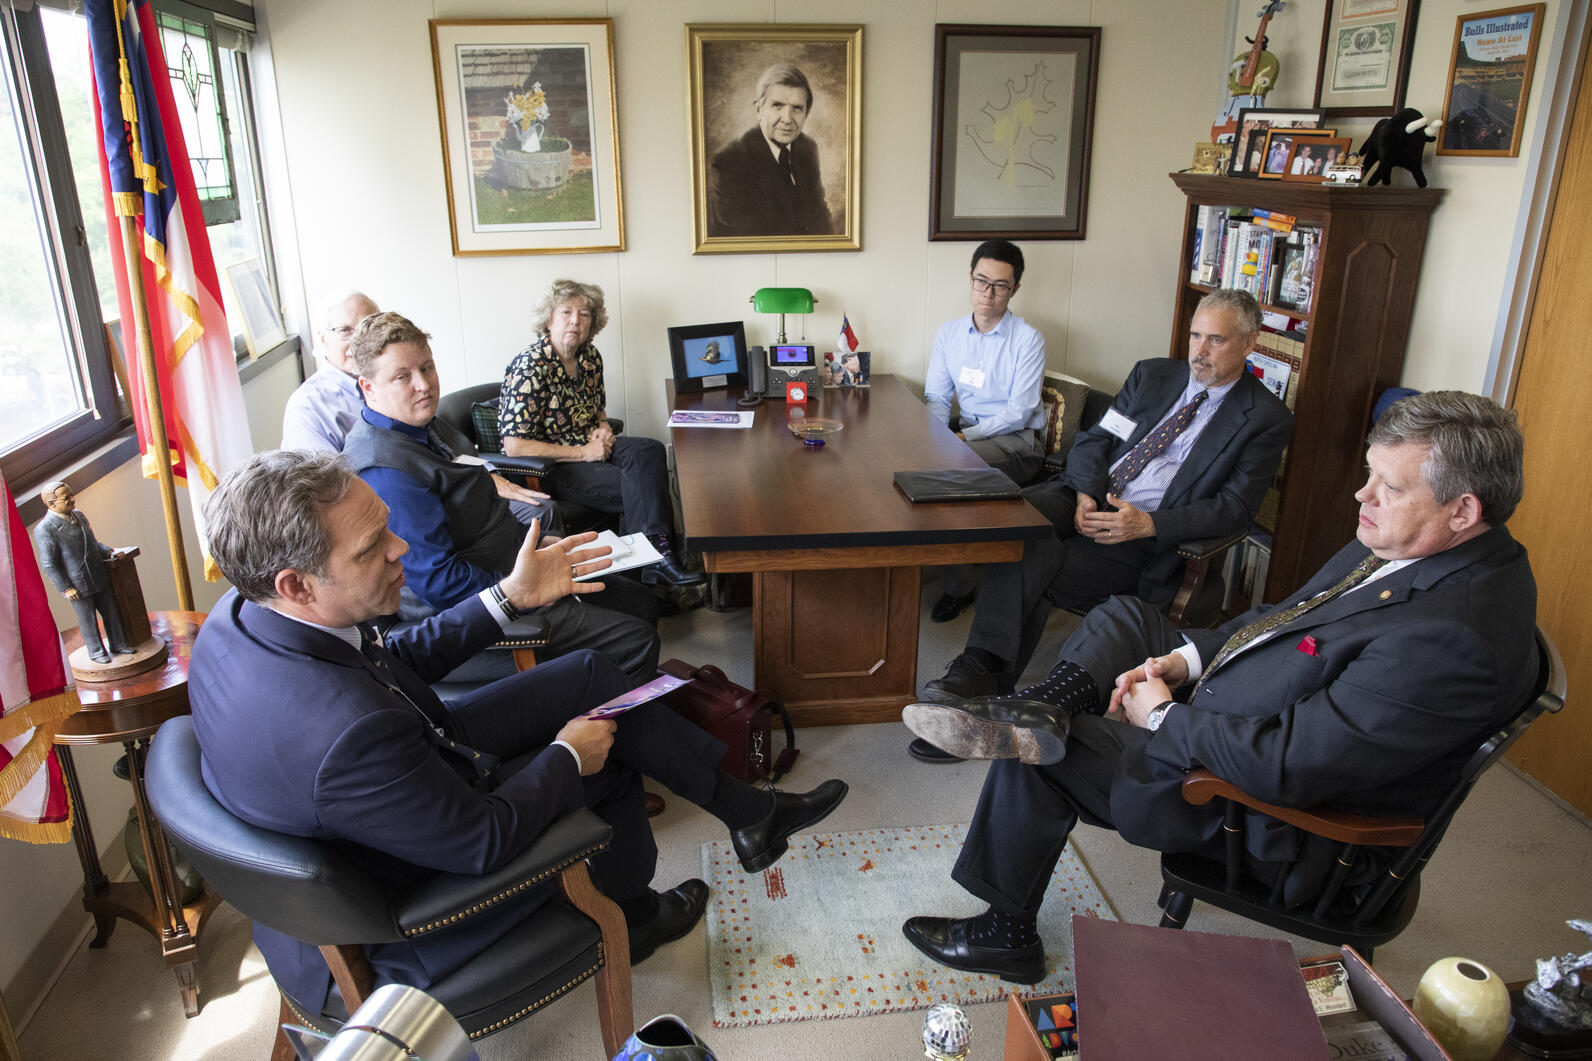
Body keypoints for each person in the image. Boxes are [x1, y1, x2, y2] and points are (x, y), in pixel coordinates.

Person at [899, 391, 1536, 984]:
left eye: (1388, 487)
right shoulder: (1415, 545)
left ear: (1464, 510)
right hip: (1254, 712)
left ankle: (1004, 931)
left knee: (1041, 754)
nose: (1361, 496)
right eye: (1369, 474)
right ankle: (1041, 705)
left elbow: (1290, 766)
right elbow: (1282, 621)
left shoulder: (1451, 638)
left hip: (1271, 819)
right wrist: (1186, 661)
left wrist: (1163, 719)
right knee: (1125, 615)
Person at [188, 450, 849, 1014]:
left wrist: (509, 595)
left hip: (402, 767)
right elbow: (480, 841)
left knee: (591, 674)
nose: (402, 551)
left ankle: (748, 812)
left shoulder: (241, 616)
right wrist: (565, 756)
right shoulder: (343, 733)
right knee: (605, 750)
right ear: (295, 583)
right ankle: (634, 918)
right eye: (371, 549)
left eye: (386, 529)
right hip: (408, 907)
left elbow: (393, 664)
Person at [911, 289, 1293, 763]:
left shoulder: (1265, 419)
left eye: (1216, 340)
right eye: (1195, 335)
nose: (1199, 351)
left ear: (1250, 343)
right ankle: (985, 684)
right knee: (1020, 524)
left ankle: (976, 680)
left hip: (1141, 537)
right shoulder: (1153, 375)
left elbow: (1234, 508)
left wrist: (1149, 524)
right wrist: (1086, 492)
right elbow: (1094, 441)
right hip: (1082, 495)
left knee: (1037, 557)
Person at [342, 312, 661, 684]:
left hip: (510, 570)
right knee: (637, 640)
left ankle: (617, 699)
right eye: (403, 376)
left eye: (427, 368)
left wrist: (539, 547)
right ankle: (595, 732)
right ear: (368, 387)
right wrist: (525, 586)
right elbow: (441, 585)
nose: (424, 385)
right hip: (479, 605)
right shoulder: (387, 471)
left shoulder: (420, 426)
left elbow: (473, 516)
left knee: (639, 601)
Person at [497, 279, 702, 587]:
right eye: (566, 312)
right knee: (638, 489)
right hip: (551, 466)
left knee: (650, 449)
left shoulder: (589, 356)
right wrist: (583, 453)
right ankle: (656, 563)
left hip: (589, 449)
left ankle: (651, 566)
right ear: (549, 318)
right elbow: (514, 446)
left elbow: (599, 413)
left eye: (584, 314)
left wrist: (603, 431)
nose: (575, 321)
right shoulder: (531, 366)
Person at [923, 240, 1049, 623]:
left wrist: (960, 441)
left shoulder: (1028, 339)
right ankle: (918, 562)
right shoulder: (949, 334)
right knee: (915, 465)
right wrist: (932, 437)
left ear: (1015, 290)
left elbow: (1020, 412)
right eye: (981, 281)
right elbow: (936, 398)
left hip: (1016, 442)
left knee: (954, 475)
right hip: (963, 437)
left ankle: (959, 587)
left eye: (1000, 286)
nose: (988, 293)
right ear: (971, 279)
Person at [707, 63, 834, 238]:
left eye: (797, 108)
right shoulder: (728, 163)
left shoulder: (807, 148)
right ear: (759, 109)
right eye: (777, 106)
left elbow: (819, 215)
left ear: (806, 113)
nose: (787, 119)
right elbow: (748, 238)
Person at [32, 482, 134, 663]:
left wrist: (109, 551)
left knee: (111, 612)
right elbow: (49, 564)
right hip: (77, 584)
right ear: (51, 503)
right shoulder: (45, 529)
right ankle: (96, 652)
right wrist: (66, 587)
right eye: (67, 498)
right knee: (88, 620)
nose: (73, 499)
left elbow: (93, 543)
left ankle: (118, 644)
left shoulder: (78, 515)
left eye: (72, 494)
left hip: (99, 575)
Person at [280, 291, 378, 453]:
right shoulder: (307, 407)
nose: (358, 342)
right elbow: (324, 478)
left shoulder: (393, 382)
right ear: (323, 340)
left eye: (368, 329)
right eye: (345, 331)